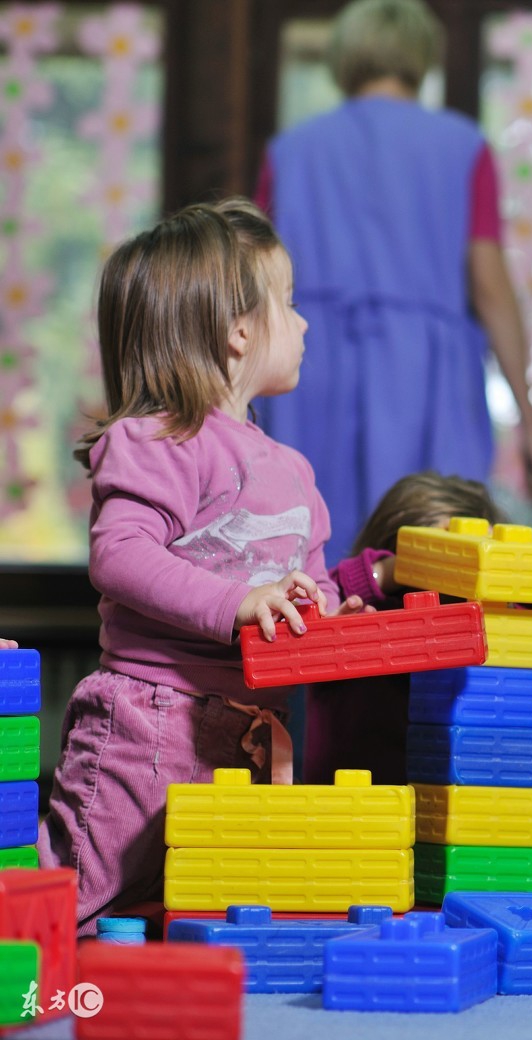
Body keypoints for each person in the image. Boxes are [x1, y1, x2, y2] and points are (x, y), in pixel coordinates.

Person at [36, 198, 371, 935]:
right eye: (287, 303)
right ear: (238, 330)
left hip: (250, 732)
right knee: (68, 895)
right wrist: (237, 603)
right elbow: (119, 555)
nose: (304, 322)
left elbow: (303, 594)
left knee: (185, 905)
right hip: (148, 721)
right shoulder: (158, 438)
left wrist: (332, 620)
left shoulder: (293, 471)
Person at [254, 0, 532, 559]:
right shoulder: (462, 148)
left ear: (343, 58)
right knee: (432, 554)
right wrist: (529, 422)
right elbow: (490, 286)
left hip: (309, 371)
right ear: (422, 58)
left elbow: (248, 281)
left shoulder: (291, 152)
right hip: (428, 377)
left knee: (309, 554)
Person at [309, 470, 504, 785]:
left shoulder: (478, 621)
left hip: (444, 800)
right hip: (354, 806)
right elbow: (329, 594)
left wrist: (516, 569)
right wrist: (402, 567)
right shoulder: (358, 608)